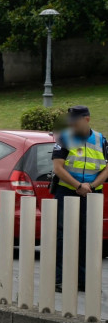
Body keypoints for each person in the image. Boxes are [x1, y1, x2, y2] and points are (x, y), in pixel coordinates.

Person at [51, 105, 108, 292]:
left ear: (87, 119)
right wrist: (78, 185)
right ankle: (60, 280)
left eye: (75, 120)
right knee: (63, 237)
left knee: (88, 237)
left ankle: (84, 280)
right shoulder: (64, 137)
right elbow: (58, 168)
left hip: (92, 194)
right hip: (67, 192)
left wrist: (90, 187)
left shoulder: (101, 140)